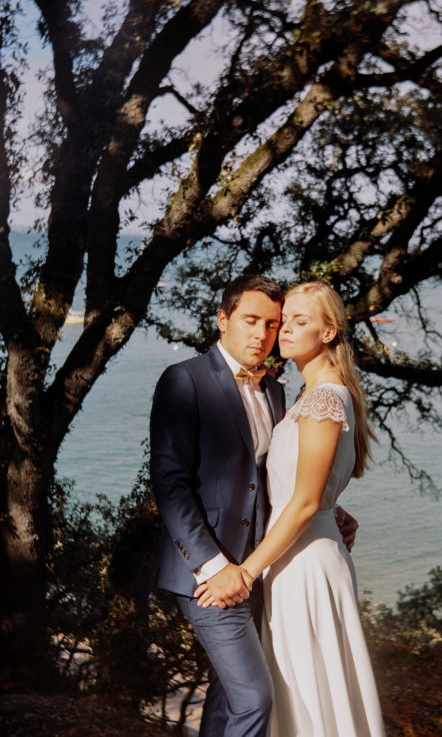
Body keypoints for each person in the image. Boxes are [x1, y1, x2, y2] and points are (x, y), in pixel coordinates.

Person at [150, 275, 358, 737]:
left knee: (228, 698)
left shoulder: (278, 390)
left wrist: (329, 510)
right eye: (251, 321)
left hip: (266, 571)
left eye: (273, 323)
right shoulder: (184, 381)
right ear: (222, 321)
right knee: (255, 699)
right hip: (210, 577)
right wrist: (215, 567)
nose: (263, 335)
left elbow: (271, 479)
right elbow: (171, 484)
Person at [196, 281, 385, 736]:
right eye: (285, 322)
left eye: (301, 322)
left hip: (302, 565)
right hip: (296, 558)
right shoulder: (308, 395)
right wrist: (331, 510)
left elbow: (302, 504)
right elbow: (300, 492)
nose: (284, 331)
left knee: (308, 696)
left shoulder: (323, 399)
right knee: (299, 694)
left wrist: (243, 572)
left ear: (329, 332)